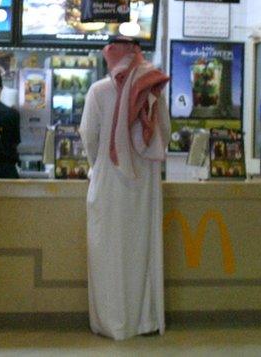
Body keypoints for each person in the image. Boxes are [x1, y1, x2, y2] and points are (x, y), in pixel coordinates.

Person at [79, 37, 170, 340]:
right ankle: (144, 321)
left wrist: (98, 165)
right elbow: (164, 135)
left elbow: (88, 136)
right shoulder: (153, 91)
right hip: (144, 187)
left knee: (109, 255)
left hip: (108, 183)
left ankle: (112, 322)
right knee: (142, 251)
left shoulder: (99, 91)